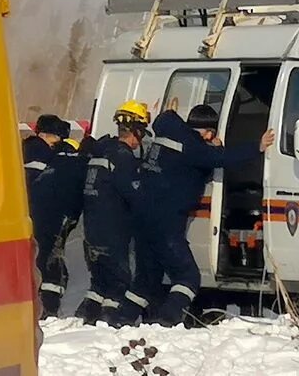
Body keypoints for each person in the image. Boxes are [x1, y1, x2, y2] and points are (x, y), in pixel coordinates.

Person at [115, 104, 275, 327]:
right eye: (211, 133)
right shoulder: (194, 148)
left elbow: (195, 162)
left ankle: (119, 322)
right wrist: (257, 146)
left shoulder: (168, 130)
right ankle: (167, 321)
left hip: (141, 217)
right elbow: (221, 158)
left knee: (145, 281)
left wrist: (172, 114)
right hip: (165, 221)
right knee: (188, 277)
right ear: (208, 132)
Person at [74, 101, 149, 327]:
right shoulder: (123, 158)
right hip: (113, 230)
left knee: (99, 282)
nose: (142, 138)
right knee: (119, 282)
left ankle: (84, 317)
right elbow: (134, 193)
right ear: (135, 130)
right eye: (142, 132)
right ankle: (109, 323)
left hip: (93, 229)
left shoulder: (102, 152)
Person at [29, 134, 95, 318]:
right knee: (52, 259)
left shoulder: (54, 163)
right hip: (56, 216)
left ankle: (38, 302)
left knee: (40, 257)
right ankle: (49, 308)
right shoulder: (83, 165)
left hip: (36, 213)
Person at [23, 114, 71, 192]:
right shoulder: (43, 153)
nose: (59, 139)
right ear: (44, 135)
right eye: (57, 135)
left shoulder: (26, 147)